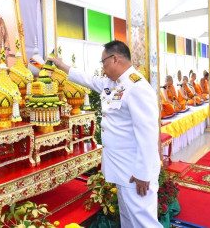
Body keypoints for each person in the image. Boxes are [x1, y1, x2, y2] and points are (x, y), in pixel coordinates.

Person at [49, 41, 161, 228]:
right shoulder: (113, 83)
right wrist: (62, 66)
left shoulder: (137, 87)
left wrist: (143, 173)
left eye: (103, 62)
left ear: (115, 58)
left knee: (143, 222)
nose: (102, 67)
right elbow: (88, 79)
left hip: (136, 173)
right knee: (128, 220)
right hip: (123, 170)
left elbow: (148, 134)